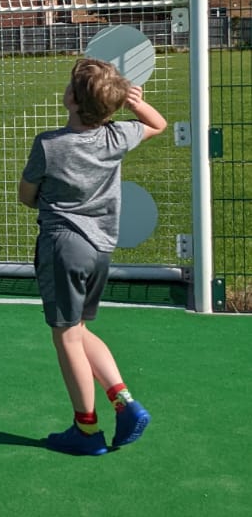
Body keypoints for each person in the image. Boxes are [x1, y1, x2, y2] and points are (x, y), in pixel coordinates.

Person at [18, 57, 168, 455]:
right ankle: (124, 403)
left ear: (72, 99)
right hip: (101, 249)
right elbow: (159, 125)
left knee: (66, 336)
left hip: (62, 246)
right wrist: (135, 103)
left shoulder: (49, 145)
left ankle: (86, 430)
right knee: (81, 329)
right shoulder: (116, 137)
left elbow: (25, 195)